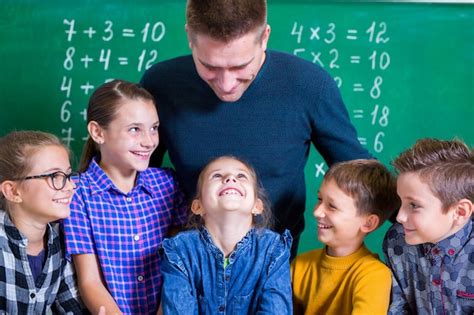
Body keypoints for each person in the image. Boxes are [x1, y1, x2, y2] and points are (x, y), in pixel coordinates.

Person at [140, 0, 371, 258]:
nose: (226, 84)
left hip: (278, 263)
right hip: (186, 260)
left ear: (264, 38)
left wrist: (417, 215)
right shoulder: (160, 84)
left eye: (240, 66)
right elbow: (133, 177)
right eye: (210, 67)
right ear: (190, 39)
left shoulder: (309, 85)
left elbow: (363, 174)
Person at [63, 80, 188, 315]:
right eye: (135, 129)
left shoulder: (168, 185)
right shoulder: (77, 193)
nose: (149, 141)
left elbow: (178, 267)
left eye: (154, 128)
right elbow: (90, 282)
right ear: (98, 132)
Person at [159, 156, 292, 314]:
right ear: (197, 206)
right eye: (217, 175)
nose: (230, 178)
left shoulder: (274, 250)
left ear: (257, 206)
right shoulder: (179, 251)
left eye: (241, 176)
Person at [291, 159, 399, 314]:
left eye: (332, 206)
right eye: (320, 199)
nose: (317, 212)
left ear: (368, 223)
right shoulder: (300, 265)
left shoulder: (374, 276)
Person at [383, 138, 474, 314]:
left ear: (460, 212)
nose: (400, 216)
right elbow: (397, 308)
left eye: (414, 205)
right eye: (400, 201)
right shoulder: (396, 241)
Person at [0, 131, 86, 314]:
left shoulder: (59, 240)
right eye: (55, 176)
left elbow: (70, 303)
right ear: (13, 191)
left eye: (69, 176)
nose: (70, 187)